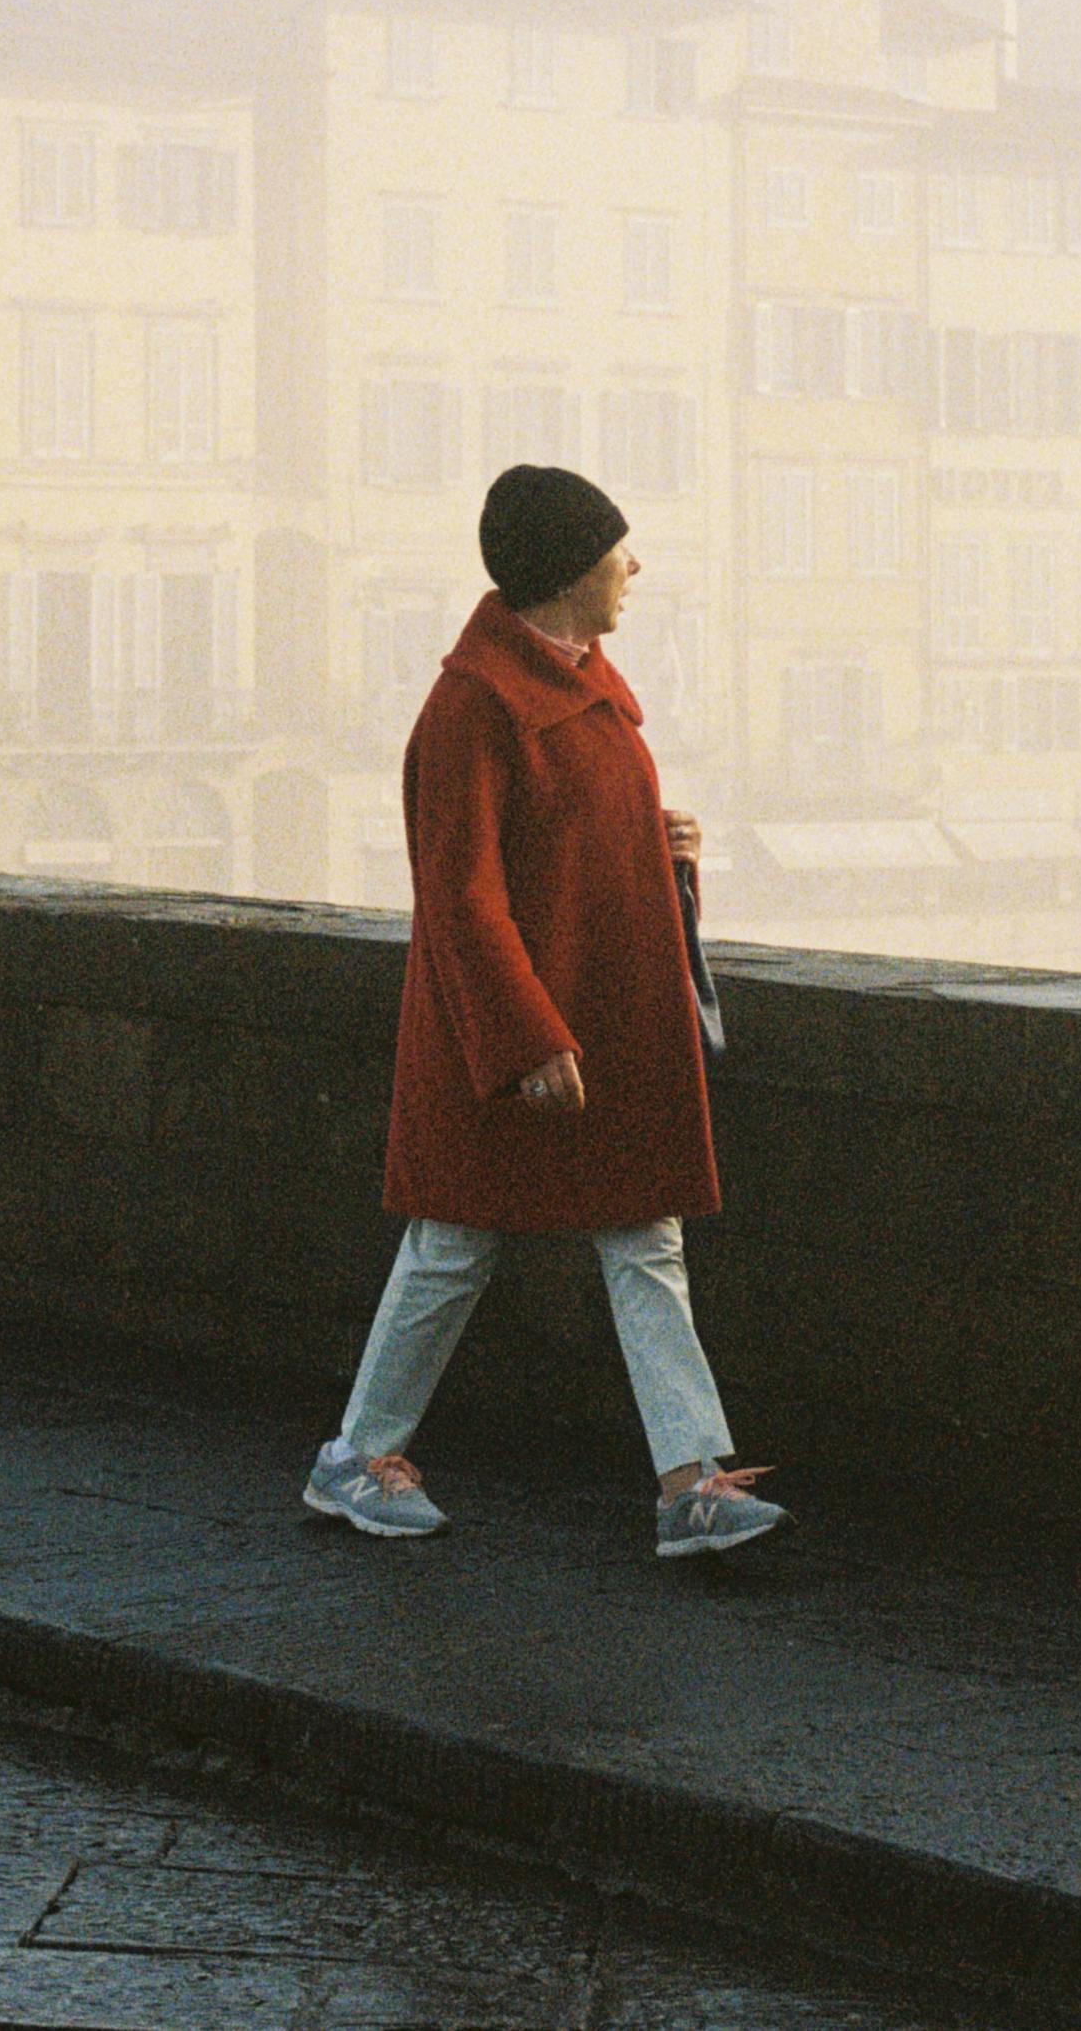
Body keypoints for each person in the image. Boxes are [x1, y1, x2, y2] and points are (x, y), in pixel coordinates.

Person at [302, 464, 786, 1560]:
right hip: (522, 1032)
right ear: (572, 569)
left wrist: (668, 854)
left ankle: (688, 1479)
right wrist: (527, 1035)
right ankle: (354, 1455)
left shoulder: (580, 687)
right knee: (453, 1243)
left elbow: (566, 848)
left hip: (593, 1025)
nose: (634, 567)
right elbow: (461, 892)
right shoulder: (473, 705)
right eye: (619, 548)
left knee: (636, 1236)